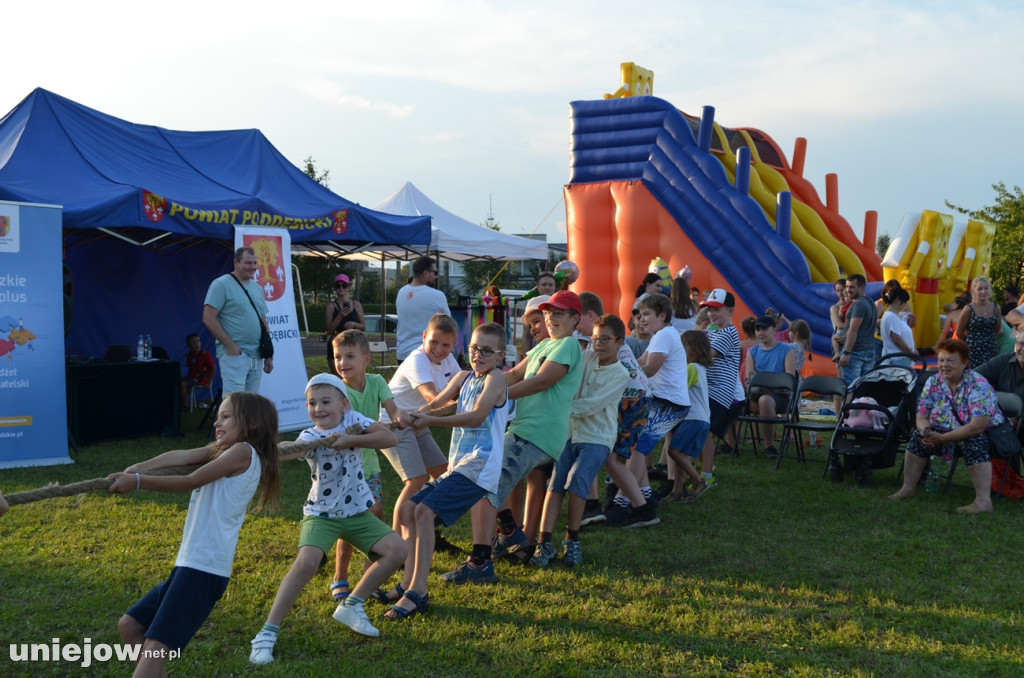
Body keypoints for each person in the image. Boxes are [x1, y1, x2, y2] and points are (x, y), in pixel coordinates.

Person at [107, 391, 281, 677]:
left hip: (203, 570)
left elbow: (191, 480)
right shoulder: (225, 450)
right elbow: (185, 456)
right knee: (130, 625)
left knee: (152, 650)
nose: (217, 422)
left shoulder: (244, 451)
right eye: (217, 416)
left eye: (226, 416)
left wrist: (138, 482)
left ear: (251, 424)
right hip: (189, 566)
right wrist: (139, 467)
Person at [249, 374, 407, 663]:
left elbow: (390, 436)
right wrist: (263, 449)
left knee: (397, 549)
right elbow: (287, 451)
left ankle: (353, 604)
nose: (318, 408)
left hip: (358, 510)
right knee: (306, 563)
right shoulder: (311, 436)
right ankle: (267, 633)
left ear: (343, 404)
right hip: (322, 514)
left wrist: (350, 438)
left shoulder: (353, 420)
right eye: (311, 403)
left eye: (325, 402)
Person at [441, 290, 583, 584]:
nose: (551, 318)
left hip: (536, 433)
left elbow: (542, 381)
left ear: (575, 319)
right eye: (548, 313)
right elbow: (515, 374)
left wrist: (494, 396)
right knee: (485, 479)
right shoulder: (545, 344)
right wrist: (476, 382)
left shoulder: (568, 345)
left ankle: (480, 562)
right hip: (523, 430)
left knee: (482, 487)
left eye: (558, 313)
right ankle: (509, 533)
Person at [383, 323, 510, 618]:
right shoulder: (464, 376)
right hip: (460, 465)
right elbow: (437, 404)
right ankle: (407, 586)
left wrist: (429, 422)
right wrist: (408, 417)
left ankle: (418, 592)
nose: (478, 355)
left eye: (486, 351)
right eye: (474, 348)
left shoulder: (497, 379)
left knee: (425, 512)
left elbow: (477, 416)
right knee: (411, 510)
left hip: (480, 468)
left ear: (500, 356)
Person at [530, 314, 629, 566]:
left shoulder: (620, 374)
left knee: (576, 482)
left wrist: (557, 406)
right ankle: (543, 543)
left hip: (597, 438)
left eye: (605, 339)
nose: (598, 344)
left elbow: (591, 406)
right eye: (595, 338)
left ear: (620, 342)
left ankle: (572, 539)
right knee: (555, 484)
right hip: (568, 433)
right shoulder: (584, 356)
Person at [328, 330, 405, 605]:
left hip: (369, 465)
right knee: (350, 522)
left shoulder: (376, 381)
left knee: (375, 512)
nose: (342, 362)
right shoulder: (337, 391)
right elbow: (343, 423)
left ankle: (368, 578)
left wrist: (399, 418)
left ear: (366, 359)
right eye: (338, 357)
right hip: (344, 467)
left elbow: (392, 408)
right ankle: (339, 577)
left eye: (349, 356)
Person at [889, 339, 1006, 514]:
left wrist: (941, 439)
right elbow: (921, 416)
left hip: (986, 434)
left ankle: (983, 501)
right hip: (943, 430)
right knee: (917, 437)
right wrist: (925, 431)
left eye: (950, 361)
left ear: (965, 363)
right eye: (941, 360)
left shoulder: (978, 384)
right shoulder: (933, 382)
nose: (944, 365)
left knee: (975, 440)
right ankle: (908, 488)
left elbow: (977, 426)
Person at [381, 314, 460, 540]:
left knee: (442, 473)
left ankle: (428, 531)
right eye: (433, 341)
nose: (438, 349)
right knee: (415, 480)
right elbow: (431, 397)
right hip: (394, 424)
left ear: (453, 345)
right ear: (424, 336)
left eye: (446, 344)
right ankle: (395, 546)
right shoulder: (417, 359)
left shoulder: (449, 360)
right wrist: (458, 401)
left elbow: (462, 385)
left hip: (417, 422)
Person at [202, 247, 273, 394]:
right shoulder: (221, 284)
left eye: (254, 263)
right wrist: (230, 345)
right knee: (234, 404)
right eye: (248, 263)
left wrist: (268, 354)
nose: (252, 267)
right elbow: (208, 318)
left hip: (257, 355)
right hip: (235, 355)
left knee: (250, 404)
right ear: (236, 262)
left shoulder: (258, 288)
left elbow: (263, 320)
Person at [699, 289, 744, 485]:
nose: (712, 314)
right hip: (710, 390)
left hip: (722, 393)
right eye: (709, 309)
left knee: (705, 432)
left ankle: (707, 475)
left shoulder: (728, 332)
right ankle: (707, 467)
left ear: (730, 311)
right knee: (700, 430)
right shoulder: (713, 331)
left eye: (717, 309)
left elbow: (705, 355)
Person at [665, 330, 714, 501]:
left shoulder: (691, 368)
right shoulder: (698, 368)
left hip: (693, 418)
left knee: (674, 451)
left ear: (693, 350)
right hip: (700, 420)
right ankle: (677, 491)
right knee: (682, 456)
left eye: (681, 346)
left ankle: (698, 481)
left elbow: (677, 388)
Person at [745, 315, 796, 458]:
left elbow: (788, 380)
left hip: (780, 397)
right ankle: (729, 445)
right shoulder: (752, 352)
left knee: (765, 400)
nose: (760, 333)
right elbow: (749, 381)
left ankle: (769, 446)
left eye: (764, 329)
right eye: (757, 329)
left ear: (773, 329)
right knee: (730, 400)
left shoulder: (787, 350)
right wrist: (751, 398)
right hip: (756, 394)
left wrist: (765, 383)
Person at [395, 256, 450, 361]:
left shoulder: (401, 292)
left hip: (403, 354)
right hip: (425, 354)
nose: (436, 276)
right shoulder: (437, 295)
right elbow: (448, 325)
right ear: (425, 273)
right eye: (435, 273)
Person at [838, 274, 877, 388]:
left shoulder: (859, 304)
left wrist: (846, 352)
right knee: (864, 389)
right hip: (868, 350)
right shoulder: (870, 302)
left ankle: (849, 406)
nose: (848, 290)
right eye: (847, 287)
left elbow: (853, 329)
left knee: (850, 388)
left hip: (856, 352)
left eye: (852, 287)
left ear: (862, 288)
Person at [957, 276, 1002, 368]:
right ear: (974, 291)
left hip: (991, 350)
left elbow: (997, 329)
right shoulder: (968, 309)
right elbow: (959, 332)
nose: (983, 291)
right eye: (979, 289)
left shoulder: (996, 308)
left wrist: (989, 340)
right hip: (973, 351)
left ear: (990, 290)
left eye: (986, 288)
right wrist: (972, 342)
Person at [325, 273, 364, 376]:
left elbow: (363, 327)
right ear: (335, 288)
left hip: (353, 345)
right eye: (338, 285)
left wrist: (354, 324)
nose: (341, 288)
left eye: (344, 285)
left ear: (348, 287)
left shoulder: (356, 304)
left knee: (352, 378)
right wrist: (340, 316)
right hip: (336, 346)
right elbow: (328, 330)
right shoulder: (331, 307)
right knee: (337, 379)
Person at [974, 333, 1024, 408]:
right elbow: (973, 377)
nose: (1023, 349)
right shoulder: (1003, 361)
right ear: (1015, 344)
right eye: (1021, 344)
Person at [880, 288, 916, 366]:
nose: (904, 305)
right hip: (898, 359)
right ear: (897, 300)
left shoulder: (897, 316)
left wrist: (913, 350)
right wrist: (911, 353)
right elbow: (897, 339)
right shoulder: (891, 317)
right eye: (904, 302)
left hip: (902, 357)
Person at [179, 333, 215, 409]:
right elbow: (191, 370)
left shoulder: (205, 354)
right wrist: (186, 379)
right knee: (177, 382)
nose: (197, 343)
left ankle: (185, 406)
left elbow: (213, 368)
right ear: (188, 345)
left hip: (200, 379)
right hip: (191, 378)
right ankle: (181, 402)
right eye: (193, 342)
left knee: (182, 384)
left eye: (198, 341)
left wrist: (208, 383)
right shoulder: (189, 354)